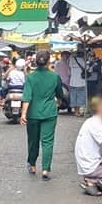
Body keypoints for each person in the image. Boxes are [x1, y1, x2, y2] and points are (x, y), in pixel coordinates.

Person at [19, 50, 62, 181]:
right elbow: (59, 93)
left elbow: (27, 97)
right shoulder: (55, 76)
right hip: (49, 112)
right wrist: (58, 102)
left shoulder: (31, 77)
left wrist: (23, 114)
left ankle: (32, 165)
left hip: (33, 113)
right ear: (49, 61)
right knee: (47, 142)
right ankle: (45, 169)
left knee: (33, 140)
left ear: (35, 61)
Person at [68, 48, 88, 116]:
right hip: (81, 82)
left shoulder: (71, 59)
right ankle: (78, 111)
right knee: (80, 97)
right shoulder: (83, 60)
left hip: (73, 81)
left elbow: (70, 67)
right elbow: (86, 68)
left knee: (74, 97)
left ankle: (76, 111)